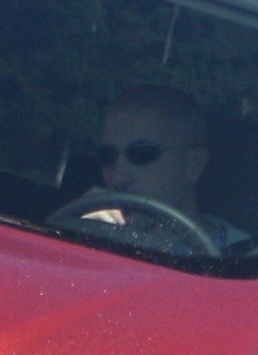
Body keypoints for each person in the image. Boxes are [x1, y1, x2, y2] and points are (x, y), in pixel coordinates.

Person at [77, 83, 244, 247]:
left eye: (142, 154)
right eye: (107, 157)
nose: (118, 176)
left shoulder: (245, 259)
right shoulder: (87, 236)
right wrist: (81, 236)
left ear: (193, 164)